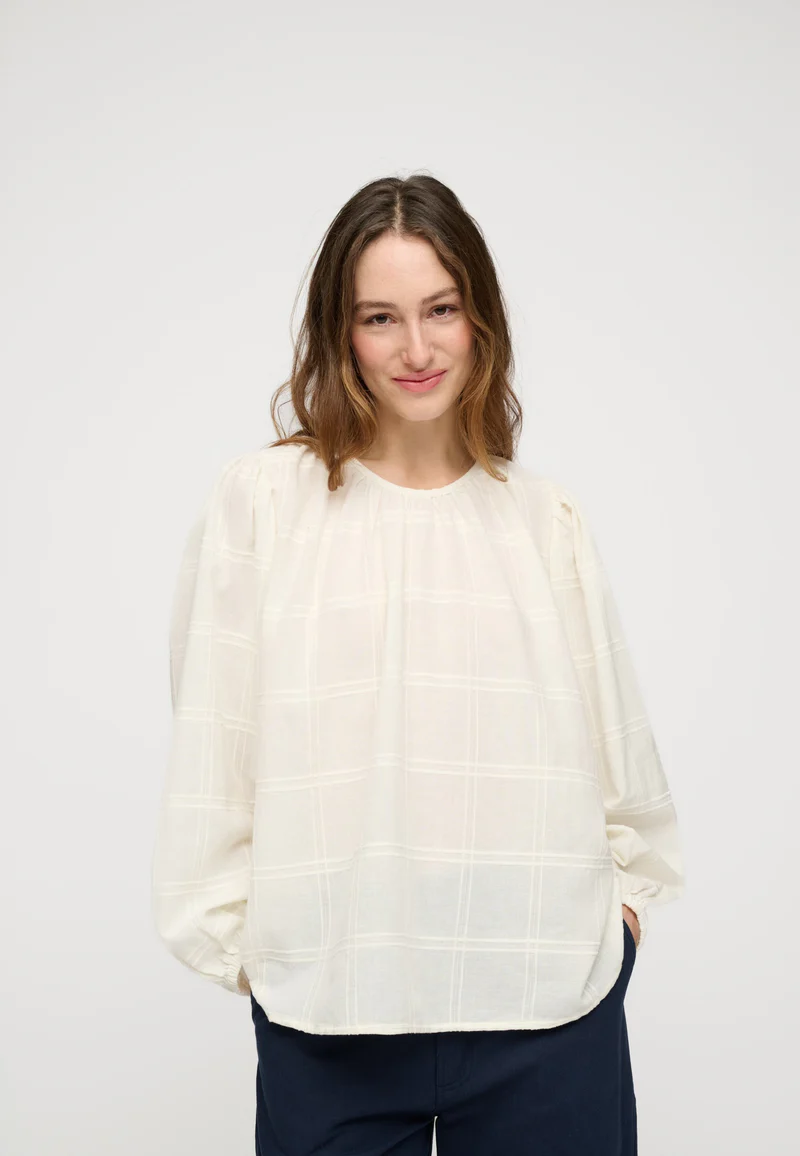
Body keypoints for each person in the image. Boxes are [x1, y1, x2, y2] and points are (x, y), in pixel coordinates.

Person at [151, 173, 685, 1155]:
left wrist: (620, 914)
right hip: (332, 1009)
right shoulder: (263, 504)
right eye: (379, 318)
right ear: (340, 331)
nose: (416, 348)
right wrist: (254, 950)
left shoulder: (542, 518)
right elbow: (215, 738)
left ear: (480, 318)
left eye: (441, 309)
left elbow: (618, 751)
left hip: (546, 1004)